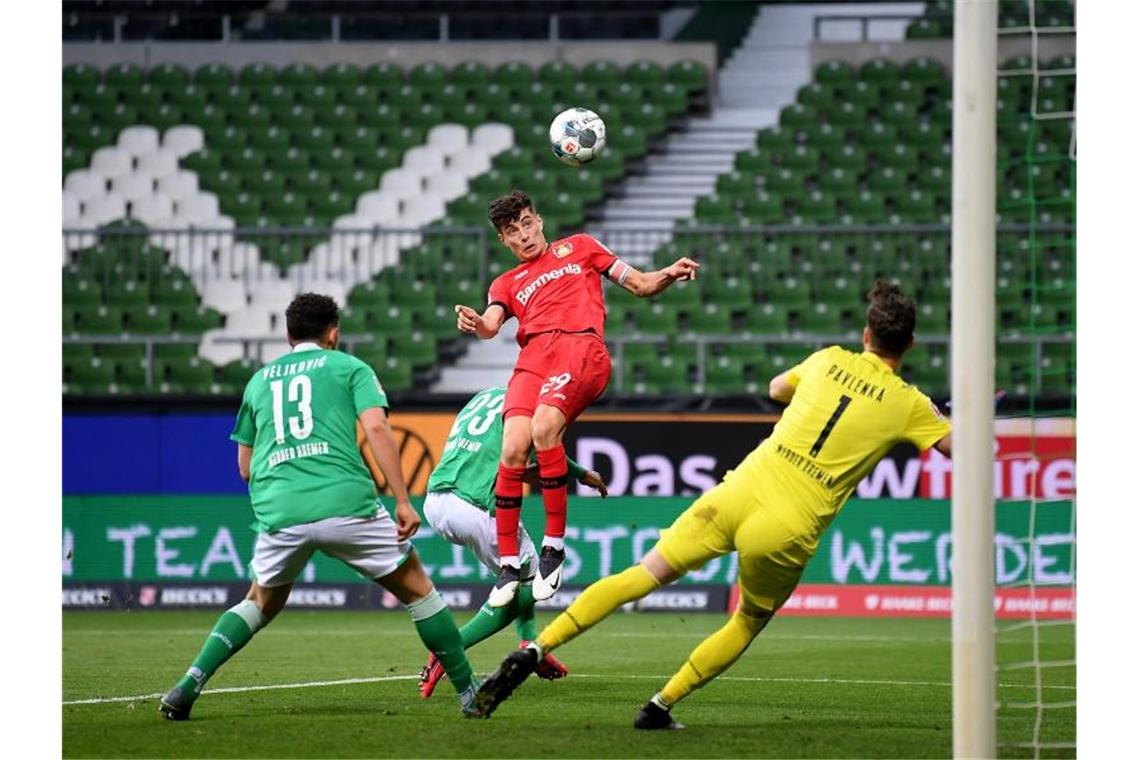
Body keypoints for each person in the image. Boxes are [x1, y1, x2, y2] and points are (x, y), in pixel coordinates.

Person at [471, 281, 953, 728]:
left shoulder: (828, 359)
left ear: (866, 333)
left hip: (738, 490)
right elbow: (963, 449)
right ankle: (660, 706)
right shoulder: (909, 403)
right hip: (788, 526)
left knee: (639, 575)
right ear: (909, 345)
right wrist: (939, 414)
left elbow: (776, 389)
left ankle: (535, 649)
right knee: (746, 621)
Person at [159, 293, 479, 720]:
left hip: (281, 511)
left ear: (289, 335)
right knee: (417, 588)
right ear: (334, 332)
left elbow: (244, 468)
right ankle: (469, 694)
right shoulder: (350, 367)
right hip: (346, 502)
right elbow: (377, 427)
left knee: (259, 601)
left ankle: (188, 684)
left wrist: (281, 501)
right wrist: (402, 501)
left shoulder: (259, 381)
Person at [454, 190, 700, 607]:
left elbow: (639, 283)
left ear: (540, 220)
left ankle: (553, 547)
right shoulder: (506, 283)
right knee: (512, 447)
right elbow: (491, 326)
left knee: (544, 428)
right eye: (512, 231)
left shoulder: (581, 247)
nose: (524, 235)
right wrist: (476, 322)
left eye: (527, 223)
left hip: (579, 348)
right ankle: (509, 565)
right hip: (533, 358)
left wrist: (669, 273)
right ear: (503, 241)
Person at [409, 385, 609, 698]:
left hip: (436, 500)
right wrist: (581, 473)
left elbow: (514, 466)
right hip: (476, 507)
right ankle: (449, 651)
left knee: (515, 575)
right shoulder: (530, 402)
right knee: (537, 578)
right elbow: (547, 455)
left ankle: (528, 647)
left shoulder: (484, 396)